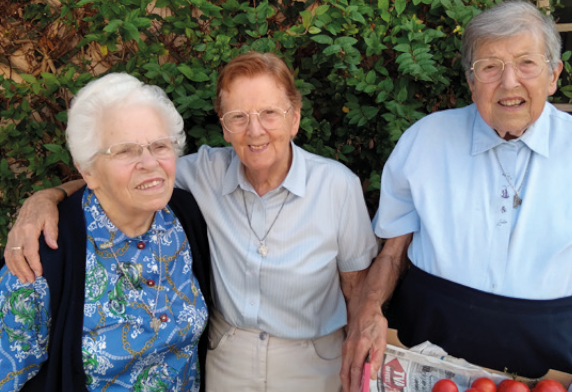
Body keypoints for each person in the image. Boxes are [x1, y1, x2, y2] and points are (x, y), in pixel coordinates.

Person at [4, 52, 379, 391]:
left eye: (269, 113)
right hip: (228, 362)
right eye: (238, 117)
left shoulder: (334, 186)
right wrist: (45, 198)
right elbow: (120, 179)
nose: (255, 130)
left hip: (312, 362)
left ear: (294, 118)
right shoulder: (196, 179)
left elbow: (356, 289)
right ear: (224, 125)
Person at [340, 0, 572, 392]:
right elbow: (392, 254)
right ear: (471, 80)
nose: (509, 82)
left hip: (548, 360)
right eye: (490, 67)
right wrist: (368, 311)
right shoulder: (425, 139)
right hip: (429, 340)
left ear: (554, 74)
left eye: (526, 63)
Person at [0, 73, 212, 391]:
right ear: (88, 171)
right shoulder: (43, 255)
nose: (149, 162)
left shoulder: (186, 217)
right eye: (125, 151)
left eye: (159, 145)